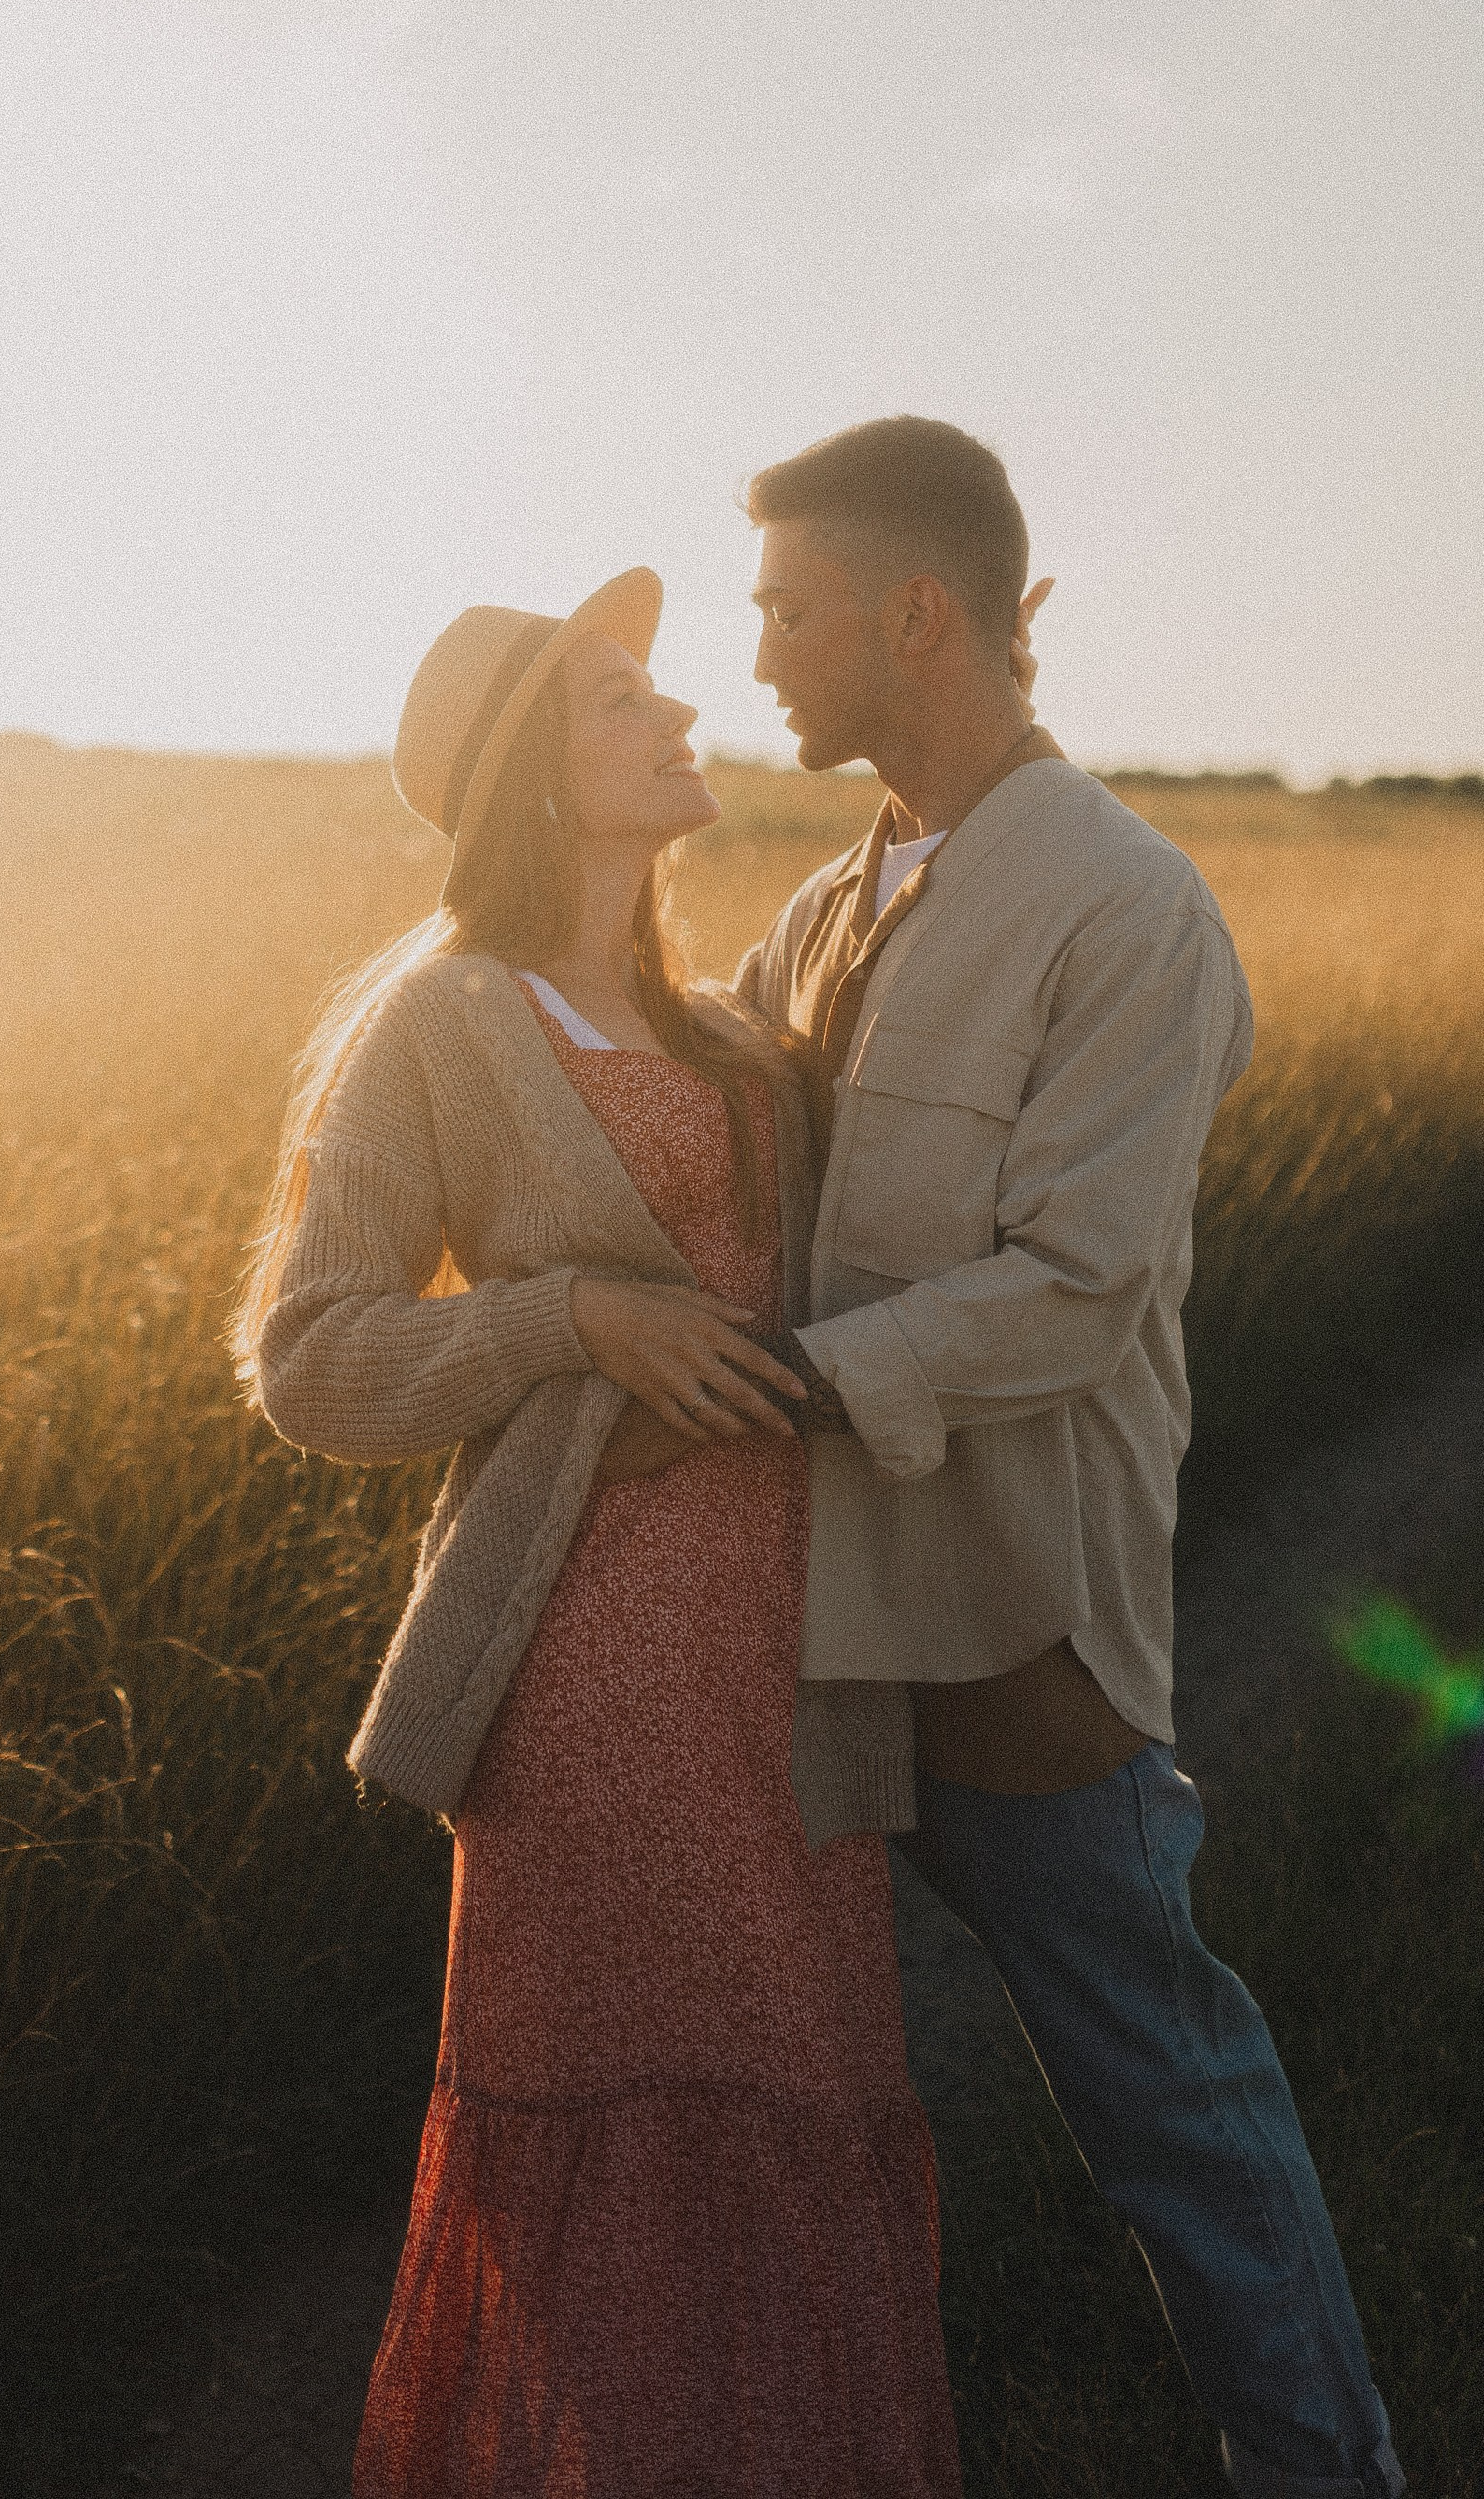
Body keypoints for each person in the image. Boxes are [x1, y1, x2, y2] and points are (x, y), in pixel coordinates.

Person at [726, 413, 1404, 2499]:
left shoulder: (1128, 910)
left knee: (1170, 2113)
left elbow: (1078, 1289)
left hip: (1008, 1614)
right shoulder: (830, 902)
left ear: (913, 616)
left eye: (786, 610)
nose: (760, 657)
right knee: (773, 2102)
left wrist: (787, 1383)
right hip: (798, 1627)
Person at [236, 570, 963, 2498]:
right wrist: (566, 1320)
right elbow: (311, 1359)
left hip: (794, 1669)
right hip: (590, 1675)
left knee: (807, 2097)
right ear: (532, 782)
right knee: (635, 2131)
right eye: (621, 701)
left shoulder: (730, 1032)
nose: (678, 717)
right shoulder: (443, 1020)